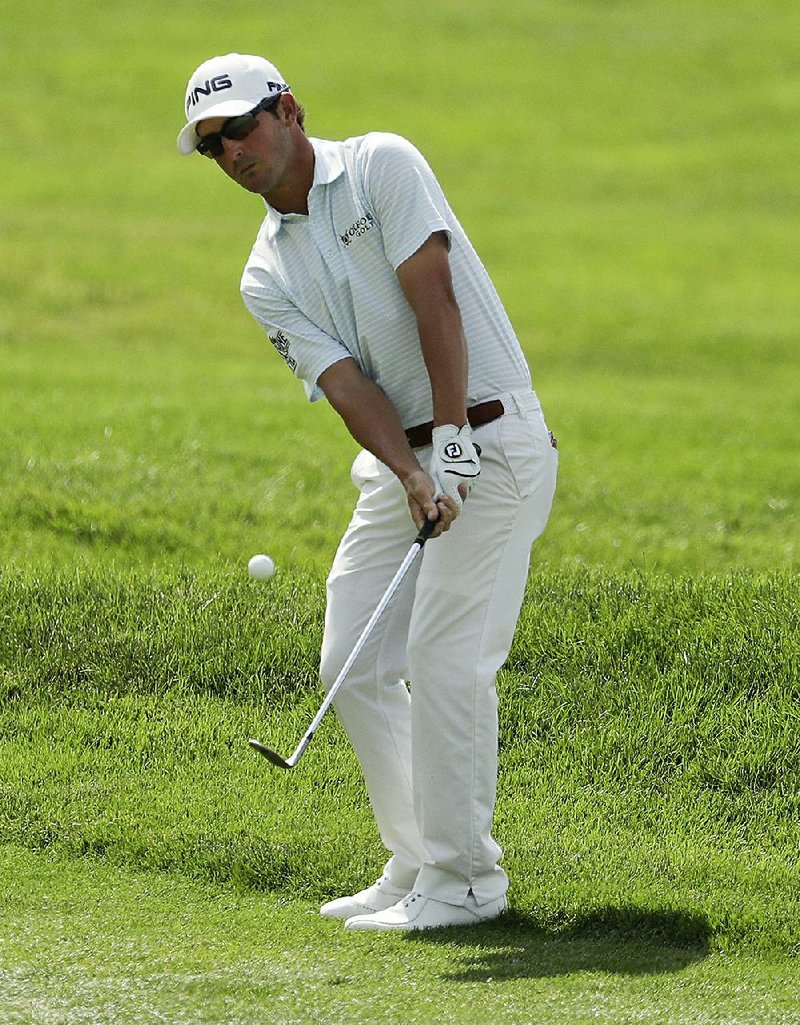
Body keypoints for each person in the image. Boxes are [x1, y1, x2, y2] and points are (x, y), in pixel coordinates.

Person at [177, 52, 558, 932]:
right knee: (351, 656)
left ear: (290, 110)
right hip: (411, 461)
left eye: (240, 125)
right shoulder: (263, 274)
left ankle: (466, 881)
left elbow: (437, 303)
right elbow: (348, 385)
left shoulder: (382, 162)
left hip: (492, 437)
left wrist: (455, 440)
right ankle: (419, 859)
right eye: (211, 144)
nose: (231, 150)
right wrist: (415, 471)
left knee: (446, 657)